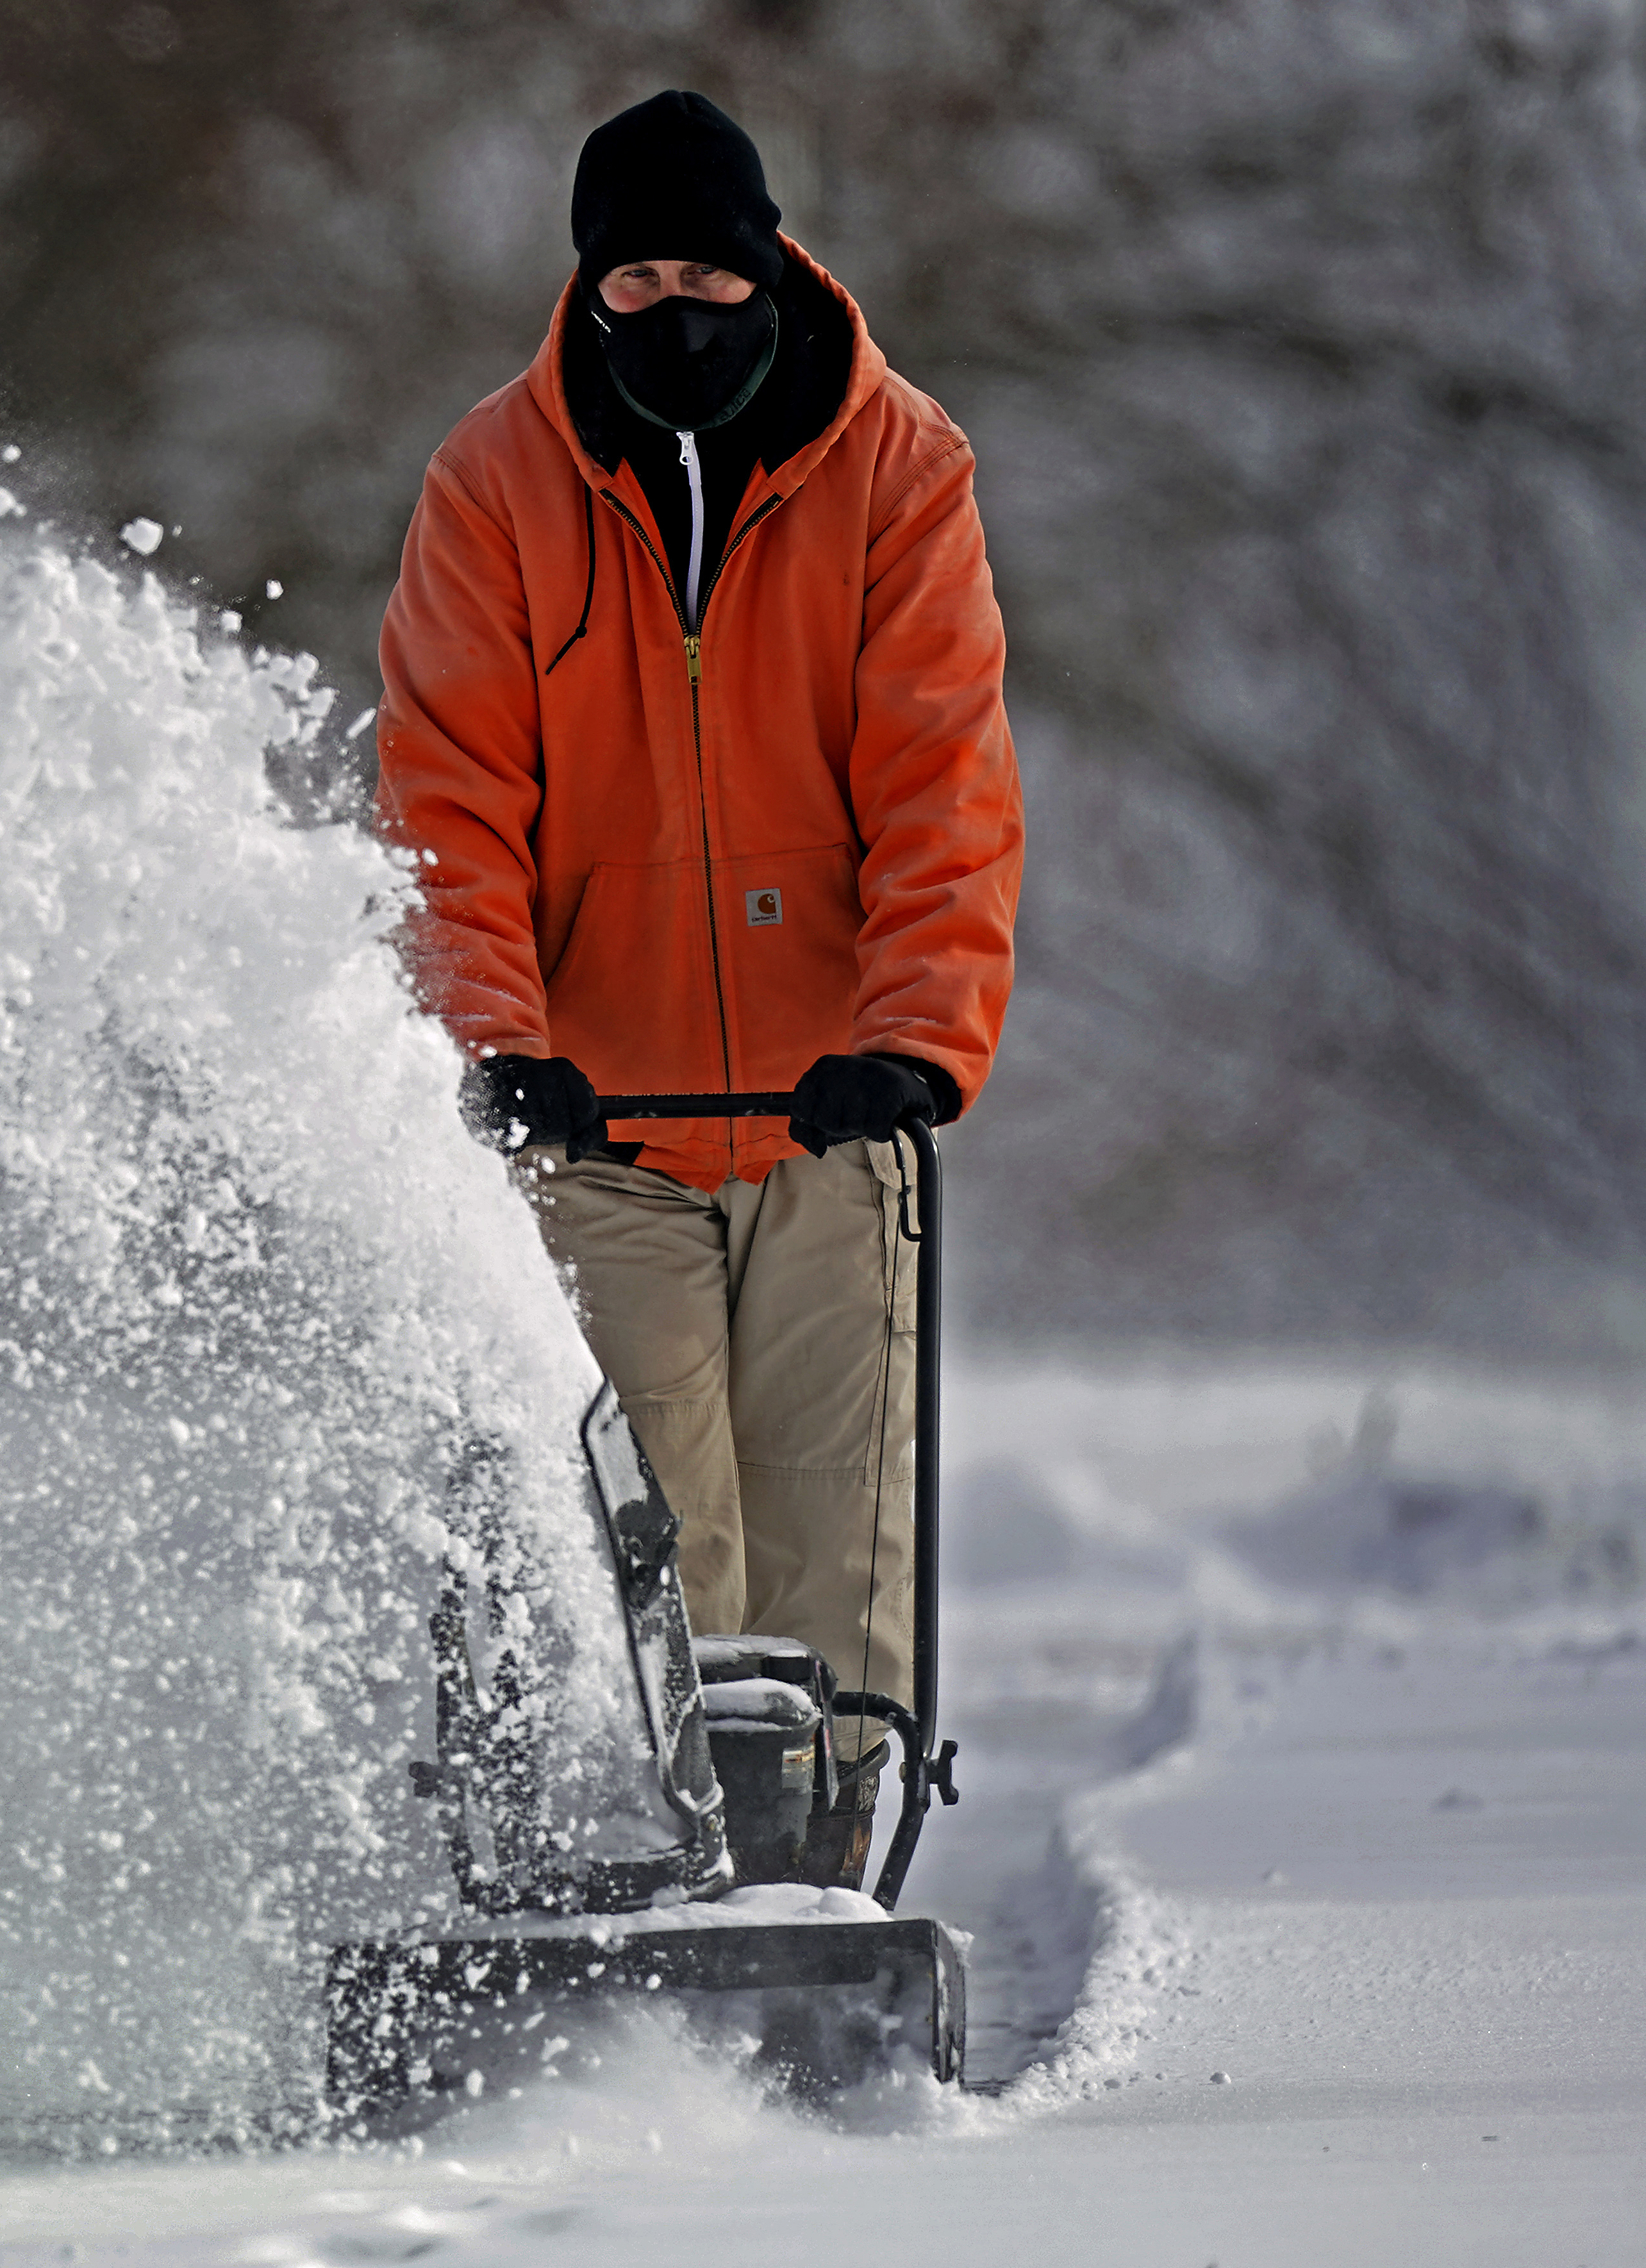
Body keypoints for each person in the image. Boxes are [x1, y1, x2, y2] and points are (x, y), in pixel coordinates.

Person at [374, 89, 1023, 1841]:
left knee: (827, 1523)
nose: (678, 312)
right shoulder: (495, 485)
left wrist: (914, 1037)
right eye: (637, 276)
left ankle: (821, 1852)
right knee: (652, 1521)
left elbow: (942, 787)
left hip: (829, 1109)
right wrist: (496, 1042)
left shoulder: (901, 470)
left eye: (709, 276)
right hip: (601, 1122)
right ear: (590, 285)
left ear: (770, 268)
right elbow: (451, 808)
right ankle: (667, 1852)